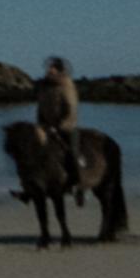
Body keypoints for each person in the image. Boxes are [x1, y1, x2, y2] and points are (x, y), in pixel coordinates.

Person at [34, 55, 83, 188]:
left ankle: (75, 181)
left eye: (52, 68)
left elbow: (71, 109)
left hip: (66, 126)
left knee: (72, 152)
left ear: (59, 70)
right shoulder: (43, 86)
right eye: (48, 68)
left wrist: (60, 127)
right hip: (46, 126)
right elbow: (40, 108)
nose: (49, 70)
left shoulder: (66, 85)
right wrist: (40, 125)